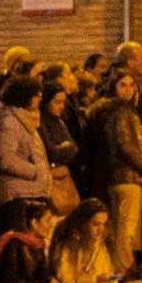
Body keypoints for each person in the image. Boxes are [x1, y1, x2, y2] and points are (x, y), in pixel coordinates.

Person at [87, 70, 142, 271]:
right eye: (122, 85)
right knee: (124, 231)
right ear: (113, 88)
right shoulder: (122, 112)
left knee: (120, 230)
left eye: (131, 85)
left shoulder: (110, 112)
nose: (128, 90)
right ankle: (123, 273)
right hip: (127, 177)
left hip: (118, 178)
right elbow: (125, 144)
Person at [51, 199, 142, 283]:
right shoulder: (67, 245)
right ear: (82, 223)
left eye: (103, 224)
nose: (101, 229)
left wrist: (114, 278)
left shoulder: (101, 244)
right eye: (95, 224)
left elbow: (109, 275)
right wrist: (96, 279)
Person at [0, 76, 50, 207]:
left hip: (29, 190)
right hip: (19, 193)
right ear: (25, 97)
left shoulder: (26, 118)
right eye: (36, 94)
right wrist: (36, 172)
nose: (40, 98)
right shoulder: (9, 122)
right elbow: (5, 159)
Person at [38, 81, 81, 215]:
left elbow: (74, 148)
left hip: (65, 177)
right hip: (52, 181)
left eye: (63, 102)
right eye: (57, 102)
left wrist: (66, 148)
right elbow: (51, 152)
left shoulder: (59, 121)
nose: (62, 107)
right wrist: (65, 148)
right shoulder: (41, 122)